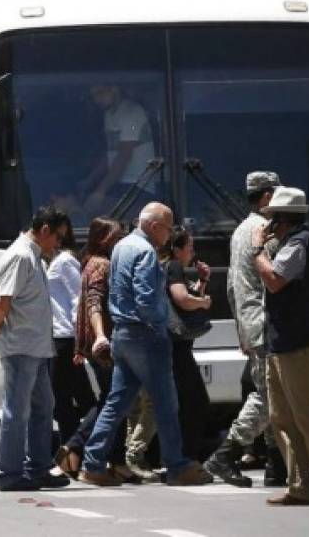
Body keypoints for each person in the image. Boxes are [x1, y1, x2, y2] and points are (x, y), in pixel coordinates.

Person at [79, 202, 212, 487]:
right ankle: (177, 466)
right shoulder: (145, 252)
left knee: (118, 401)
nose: (169, 234)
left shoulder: (122, 246)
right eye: (168, 227)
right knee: (165, 402)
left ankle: (92, 463)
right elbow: (145, 297)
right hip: (145, 334)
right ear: (154, 226)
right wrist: (161, 323)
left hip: (123, 335)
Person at [251, 186, 309, 506]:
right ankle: (301, 485)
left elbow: (274, 280)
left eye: (272, 217)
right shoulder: (290, 242)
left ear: (282, 220)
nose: (268, 223)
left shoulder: (300, 244)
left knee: (305, 415)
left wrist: (257, 249)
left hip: (298, 344)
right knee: (281, 417)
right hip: (282, 342)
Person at [0, 205, 72, 492]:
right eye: (57, 237)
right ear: (44, 231)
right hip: (21, 346)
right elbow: (3, 300)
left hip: (36, 346)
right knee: (16, 411)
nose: (58, 244)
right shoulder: (21, 256)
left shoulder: (33, 256)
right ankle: (9, 472)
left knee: (44, 407)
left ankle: (38, 467)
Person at [205, 171, 287, 488]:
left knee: (270, 393)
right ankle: (226, 454)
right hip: (266, 324)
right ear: (265, 197)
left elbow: (230, 287)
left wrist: (241, 327)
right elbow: (276, 279)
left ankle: (276, 466)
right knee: (268, 395)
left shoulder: (240, 231)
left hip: (250, 325)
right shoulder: (265, 233)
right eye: (277, 195)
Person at [56, 217, 141, 484]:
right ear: (105, 239)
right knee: (113, 401)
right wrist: (101, 335)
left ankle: (116, 461)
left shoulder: (89, 261)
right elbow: (92, 302)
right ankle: (73, 446)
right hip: (104, 343)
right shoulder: (102, 265)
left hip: (96, 342)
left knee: (114, 399)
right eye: (118, 236)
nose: (123, 240)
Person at [163, 226, 212, 461]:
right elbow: (183, 300)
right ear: (177, 249)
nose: (193, 252)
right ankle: (187, 456)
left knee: (187, 400)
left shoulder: (176, 268)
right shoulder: (172, 267)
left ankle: (184, 454)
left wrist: (203, 281)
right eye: (189, 247)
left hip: (178, 346)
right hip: (176, 347)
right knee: (195, 401)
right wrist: (203, 303)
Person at [47, 218, 96, 445]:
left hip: (66, 338)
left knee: (64, 399)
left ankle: (73, 447)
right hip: (61, 337)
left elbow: (79, 300)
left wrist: (80, 341)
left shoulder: (65, 261)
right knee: (69, 398)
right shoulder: (57, 260)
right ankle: (76, 448)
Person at [78, 85, 156, 216]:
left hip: (139, 185)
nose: (96, 100)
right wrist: (90, 180)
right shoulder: (109, 114)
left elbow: (124, 156)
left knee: (98, 210)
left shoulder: (132, 112)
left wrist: (100, 191)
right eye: (93, 96)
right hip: (120, 182)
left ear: (115, 88)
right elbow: (110, 156)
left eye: (100, 93)